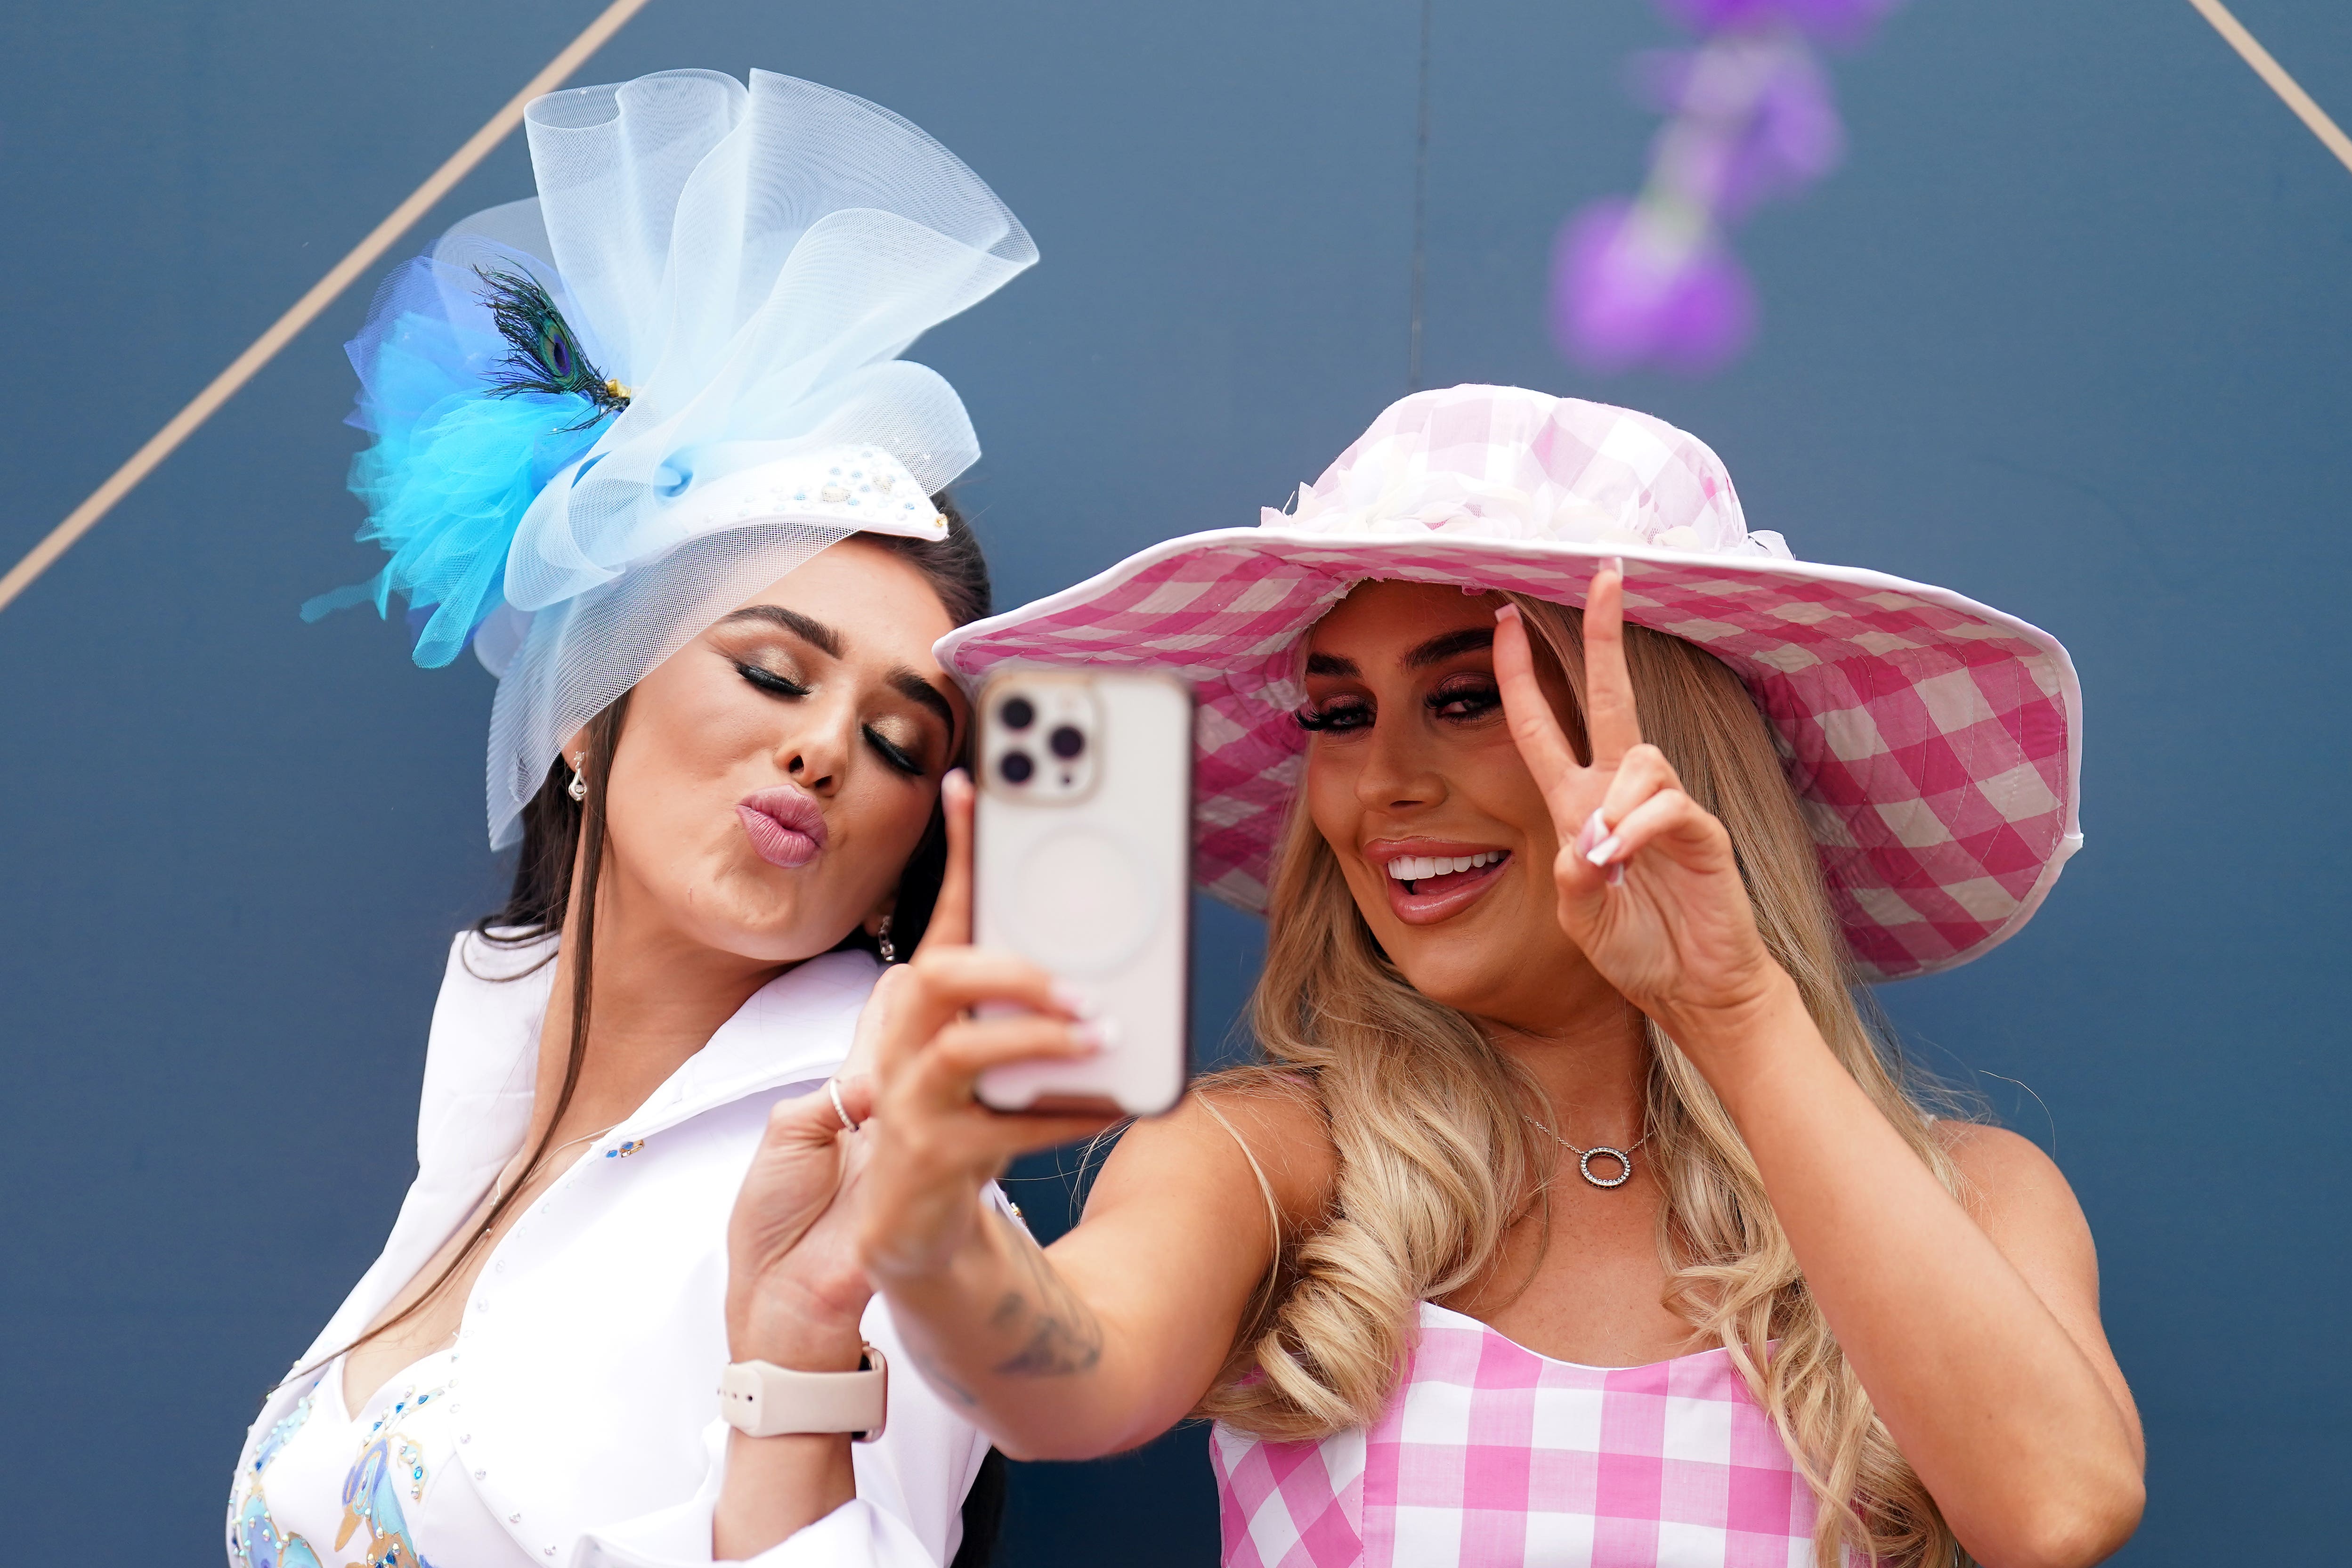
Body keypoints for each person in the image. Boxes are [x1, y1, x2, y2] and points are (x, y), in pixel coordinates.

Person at [849, 386, 2144, 1567]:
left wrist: (1733, 1011)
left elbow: (2056, 1511)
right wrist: (931, 1225)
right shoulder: (1275, 1158)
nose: (1386, 783)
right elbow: (1060, 1385)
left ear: (1664, 740)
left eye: (1468, 698)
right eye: (1339, 715)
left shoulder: (1974, 1191)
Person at [227, 68, 1037, 1568]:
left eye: (895, 739)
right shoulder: (484, 1080)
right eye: (772, 668)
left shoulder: (889, 1168)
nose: (819, 751)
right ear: (588, 711)